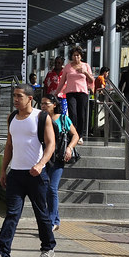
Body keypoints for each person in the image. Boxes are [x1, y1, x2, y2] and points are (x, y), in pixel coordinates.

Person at [0, 83, 57, 257]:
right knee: (12, 214)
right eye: (14, 96)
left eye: (19, 96)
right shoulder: (12, 118)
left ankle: (48, 248)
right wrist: (3, 170)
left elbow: (51, 144)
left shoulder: (41, 117)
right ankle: (2, 253)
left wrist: (40, 165)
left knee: (42, 214)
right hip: (16, 174)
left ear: (30, 98)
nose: (15, 99)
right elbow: (9, 146)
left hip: (36, 175)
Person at [40, 93, 78, 231]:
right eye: (42, 104)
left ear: (54, 104)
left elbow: (75, 134)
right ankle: (54, 219)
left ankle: (51, 221)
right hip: (43, 157)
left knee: (52, 188)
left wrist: (69, 148)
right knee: (44, 189)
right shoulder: (40, 118)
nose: (43, 106)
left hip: (57, 158)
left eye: (46, 104)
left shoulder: (63, 118)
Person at [55, 47, 95, 141]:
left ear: (81, 56)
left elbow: (91, 80)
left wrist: (85, 72)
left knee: (81, 113)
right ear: (71, 56)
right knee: (73, 113)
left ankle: (80, 135)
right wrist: (56, 93)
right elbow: (62, 81)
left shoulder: (85, 66)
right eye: (74, 55)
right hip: (70, 92)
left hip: (82, 92)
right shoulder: (67, 67)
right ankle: (73, 134)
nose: (76, 57)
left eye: (78, 55)